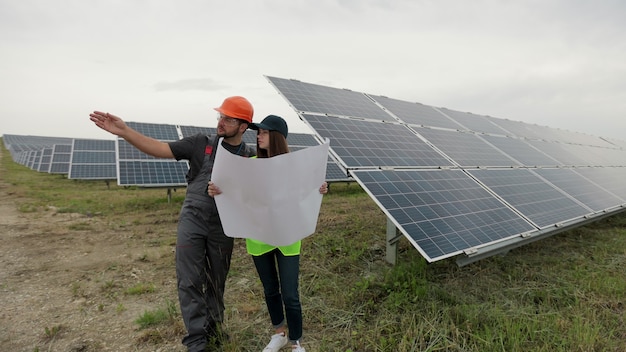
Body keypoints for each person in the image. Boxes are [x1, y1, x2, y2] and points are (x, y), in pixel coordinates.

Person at [89, 96, 257, 352]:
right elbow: (159, 148)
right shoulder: (200, 144)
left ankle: (214, 329)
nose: (220, 122)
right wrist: (124, 131)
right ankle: (197, 339)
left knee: (217, 279)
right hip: (193, 220)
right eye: (220, 116)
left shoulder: (251, 156)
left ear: (243, 126)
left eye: (228, 119)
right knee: (189, 279)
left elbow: (275, 182)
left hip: (224, 225)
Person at [208, 115, 328, 352]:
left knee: (291, 295)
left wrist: (323, 187)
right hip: (259, 238)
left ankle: (296, 342)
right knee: (270, 290)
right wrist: (215, 189)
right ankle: (279, 333)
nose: (258, 136)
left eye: (262, 132)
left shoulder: (296, 165)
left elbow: (310, 187)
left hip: (288, 238)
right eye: (258, 132)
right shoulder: (250, 163)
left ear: (275, 136)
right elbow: (234, 190)